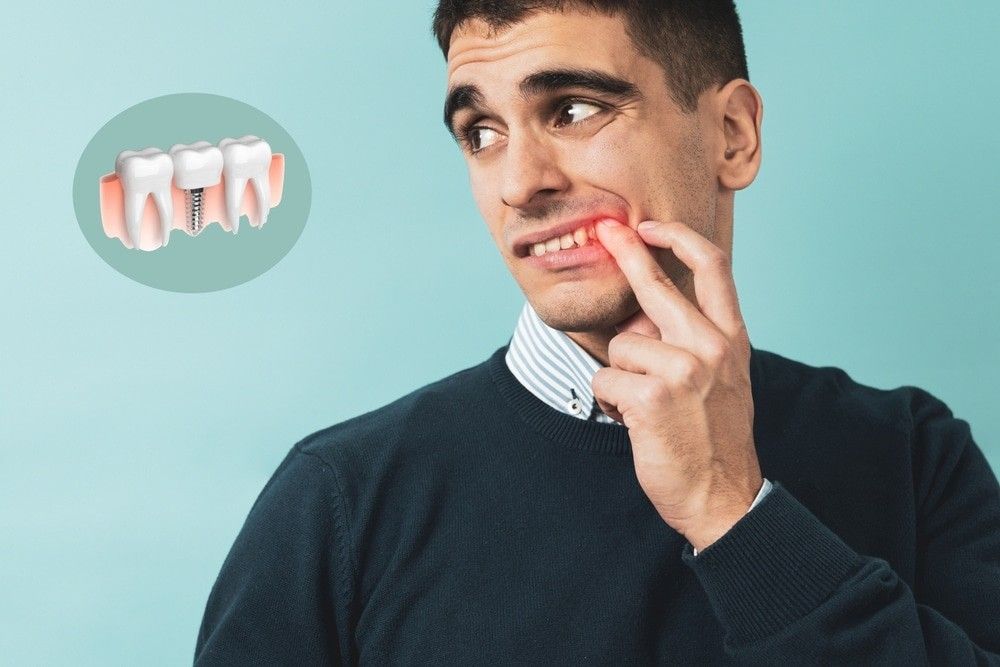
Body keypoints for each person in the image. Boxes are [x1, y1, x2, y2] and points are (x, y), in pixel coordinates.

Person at [193, 2, 1000, 664]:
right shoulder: (338, 499)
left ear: (733, 135)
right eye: (481, 132)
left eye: (573, 110)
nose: (519, 183)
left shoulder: (910, 453)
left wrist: (733, 515)